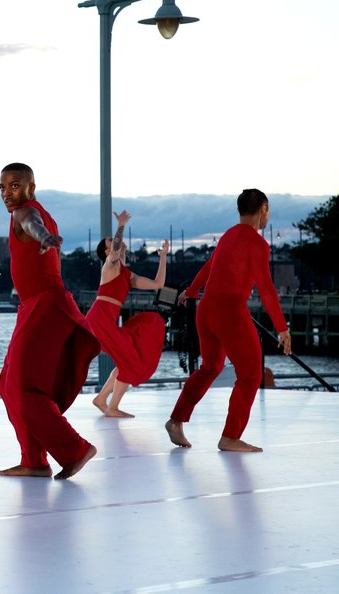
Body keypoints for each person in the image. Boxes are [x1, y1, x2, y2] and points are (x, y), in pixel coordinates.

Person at [165, 189, 291, 452]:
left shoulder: (228, 236)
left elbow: (207, 268)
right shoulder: (258, 244)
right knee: (250, 374)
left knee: (210, 367)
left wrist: (190, 293)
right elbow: (266, 289)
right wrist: (282, 328)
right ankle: (230, 437)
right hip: (230, 312)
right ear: (264, 209)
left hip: (205, 309)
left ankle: (176, 420)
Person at [0, 163, 100, 480]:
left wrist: (43, 236)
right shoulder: (32, 212)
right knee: (7, 384)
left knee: (22, 387)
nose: (6, 194)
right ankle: (33, 460)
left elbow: (32, 223)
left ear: (31, 186)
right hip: (34, 307)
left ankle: (75, 449)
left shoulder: (25, 213)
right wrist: (46, 236)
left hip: (45, 305)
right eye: (2, 188)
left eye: (14, 185)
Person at [86, 210, 169, 418]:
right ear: (107, 252)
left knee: (129, 355)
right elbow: (115, 249)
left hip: (106, 320)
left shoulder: (126, 273)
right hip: (100, 319)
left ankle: (101, 399)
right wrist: (121, 225)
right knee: (130, 360)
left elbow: (157, 284)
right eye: (111, 242)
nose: (116, 243)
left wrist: (163, 258)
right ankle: (112, 407)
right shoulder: (109, 266)